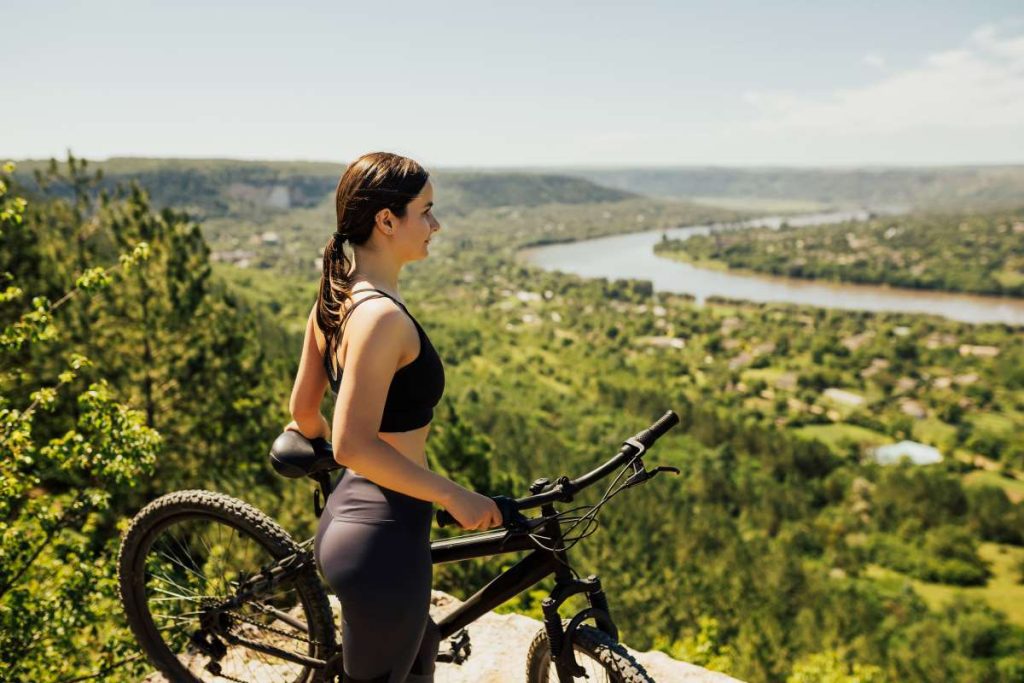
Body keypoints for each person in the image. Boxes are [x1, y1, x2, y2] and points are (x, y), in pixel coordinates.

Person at [284, 151, 503, 682]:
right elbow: (352, 446)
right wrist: (453, 494)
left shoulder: (338, 297)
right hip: (384, 542)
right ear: (387, 221)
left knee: (418, 653)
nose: (436, 224)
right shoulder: (381, 316)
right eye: (425, 211)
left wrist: (307, 443)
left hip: (351, 516)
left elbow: (302, 413)